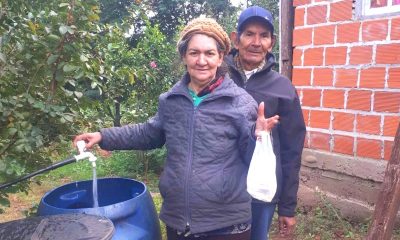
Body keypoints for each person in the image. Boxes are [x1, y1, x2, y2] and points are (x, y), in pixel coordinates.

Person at [74, 17, 278, 240]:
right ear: (184, 56)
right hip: (179, 220)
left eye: (209, 53)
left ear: (220, 58)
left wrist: (258, 137)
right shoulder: (171, 100)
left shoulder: (239, 102)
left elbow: (253, 160)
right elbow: (148, 133)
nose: (202, 60)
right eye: (194, 53)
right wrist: (103, 135)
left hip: (226, 224)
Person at [225, 6, 307, 240]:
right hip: (220, 187)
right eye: (249, 33)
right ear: (235, 39)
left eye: (263, 36)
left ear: (271, 42)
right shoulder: (218, 77)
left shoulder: (283, 88)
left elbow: (292, 150)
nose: (256, 42)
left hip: (262, 191)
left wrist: (288, 207)